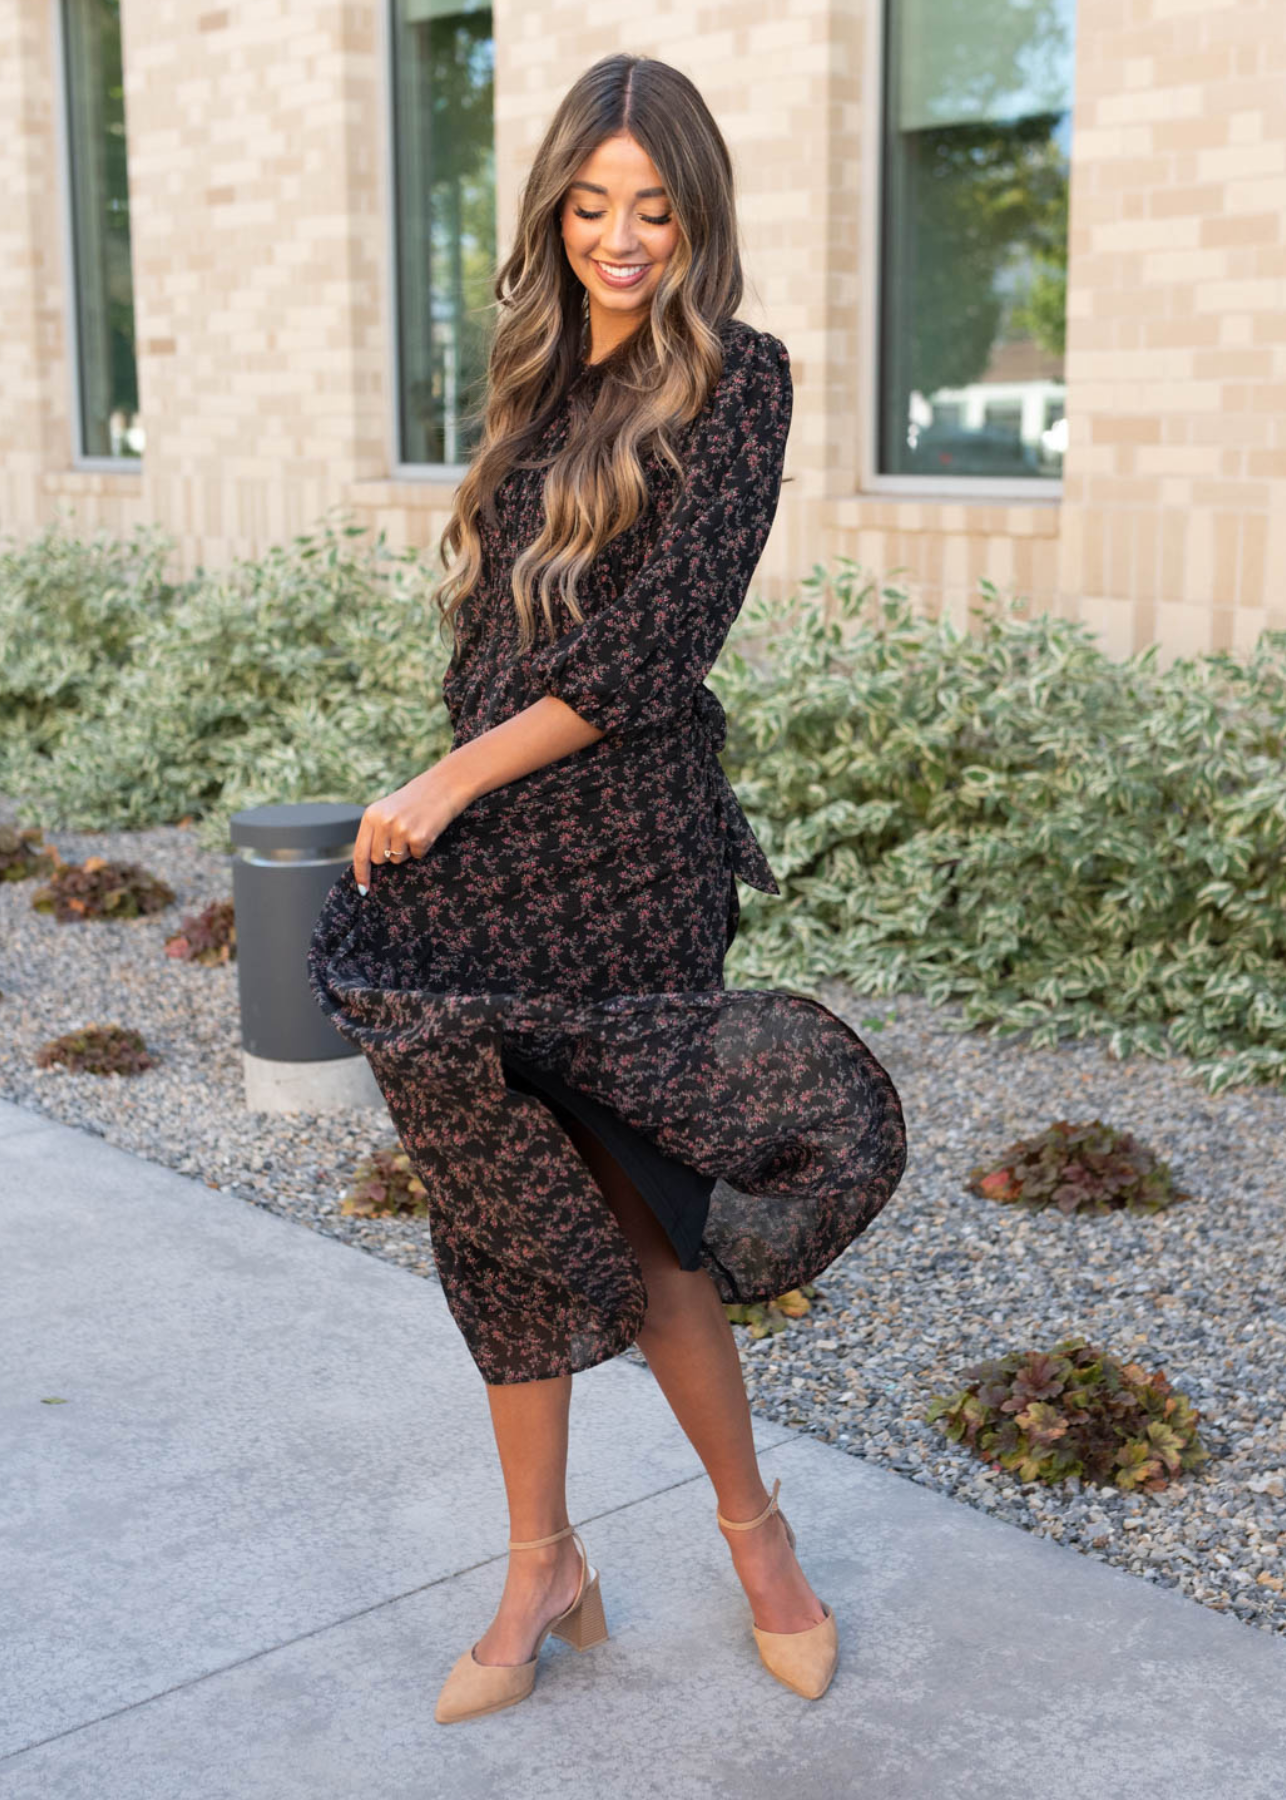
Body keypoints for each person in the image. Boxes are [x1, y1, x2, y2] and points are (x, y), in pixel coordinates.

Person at [308, 52, 907, 1722]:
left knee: (648, 1226)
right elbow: (493, 646)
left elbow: (653, 650)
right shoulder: (531, 374)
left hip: (629, 865)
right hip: (486, 865)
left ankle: (754, 1535)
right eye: (589, 207)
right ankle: (538, 1562)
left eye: (652, 209)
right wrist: (439, 812)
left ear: (695, 215)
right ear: (551, 211)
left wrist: (438, 784)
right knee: (495, 1220)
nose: (619, 238)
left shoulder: (740, 381)